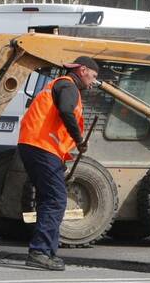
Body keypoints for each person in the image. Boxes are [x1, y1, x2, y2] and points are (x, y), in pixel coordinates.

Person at [17, 56, 100, 271]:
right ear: (83, 70)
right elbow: (65, 110)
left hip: (35, 146)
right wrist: (79, 139)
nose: (94, 81)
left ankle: (48, 252)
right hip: (42, 146)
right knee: (56, 199)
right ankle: (40, 251)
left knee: (50, 198)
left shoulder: (60, 85)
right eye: (94, 75)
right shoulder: (68, 86)